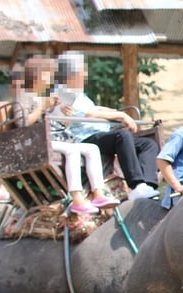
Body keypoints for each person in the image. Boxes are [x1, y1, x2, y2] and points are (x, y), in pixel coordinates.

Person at [51, 52, 161, 200]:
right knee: (121, 135)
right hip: (84, 138)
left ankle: (148, 186)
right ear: (72, 73)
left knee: (148, 144)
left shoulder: (79, 94)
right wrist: (121, 116)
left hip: (99, 136)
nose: (85, 74)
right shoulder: (64, 92)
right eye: (82, 71)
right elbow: (91, 113)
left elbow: (96, 108)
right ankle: (136, 185)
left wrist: (117, 112)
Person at [17, 56, 120, 214]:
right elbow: (22, 123)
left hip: (52, 139)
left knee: (92, 149)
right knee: (72, 150)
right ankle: (77, 198)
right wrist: (42, 107)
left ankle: (98, 193)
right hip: (35, 143)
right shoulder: (25, 95)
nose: (51, 80)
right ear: (38, 75)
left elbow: (54, 126)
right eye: (48, 75)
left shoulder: (44, 98)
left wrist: (65, 116)